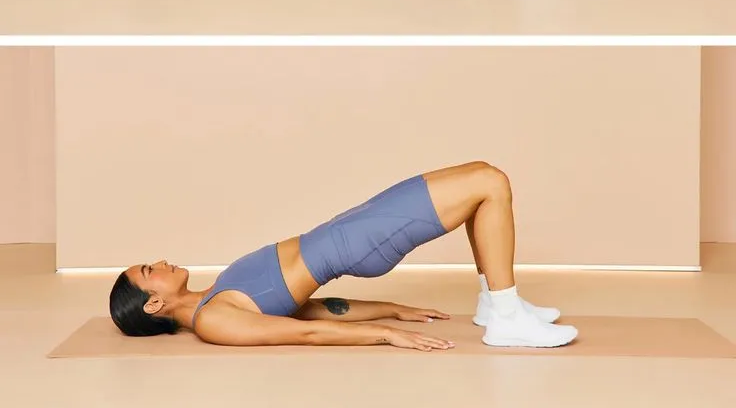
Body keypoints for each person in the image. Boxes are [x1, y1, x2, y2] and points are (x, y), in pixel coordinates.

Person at [109, 161, 578, 351]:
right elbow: (306, 332)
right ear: (153, 304)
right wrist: (386, 334)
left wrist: (394, 307)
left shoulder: (216, 297)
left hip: (350, 227)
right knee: (488, 182)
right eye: (152, 271)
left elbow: (312, 307)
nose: (162, 262)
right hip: (357, 241)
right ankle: (505, 313)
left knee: (482, 183)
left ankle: (494, 301)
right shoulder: (214, 322)